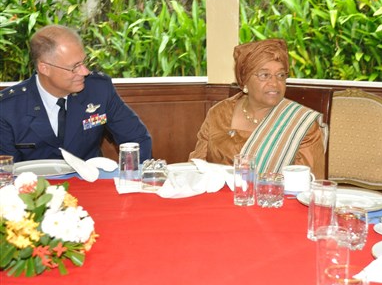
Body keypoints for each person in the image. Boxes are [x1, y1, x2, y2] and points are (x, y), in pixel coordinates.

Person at [0, 24, 152, 162]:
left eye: (84, 62)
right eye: (74, 67)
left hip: (90, 185)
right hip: (35, 189)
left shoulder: (98, 90)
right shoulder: (8, 108)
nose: (85, 72)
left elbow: (136, 138)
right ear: (44, 68)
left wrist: (131, 178)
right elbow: (5, 168)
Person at [189, 39, 328, 178]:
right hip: (216, 197)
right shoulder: (219, 114)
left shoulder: (300, 124)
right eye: (264, 75)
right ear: (244, 81)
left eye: (281, 75)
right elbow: (195, 169)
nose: (274, 83)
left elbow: (308, 185)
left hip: (273, 198)